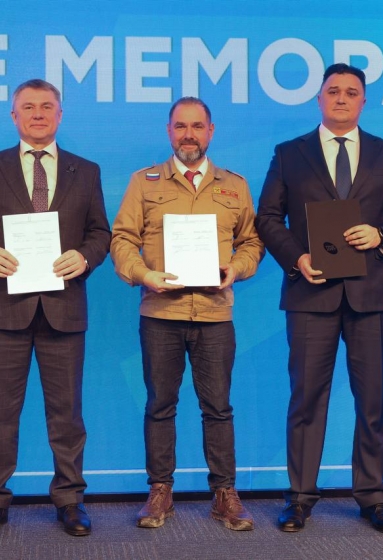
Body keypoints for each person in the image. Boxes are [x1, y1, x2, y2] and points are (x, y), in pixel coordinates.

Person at [256, 63, 383, 534]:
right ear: (319, 99)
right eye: (333, 91)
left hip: (373, 295)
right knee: (306, 400)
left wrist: (381, 234)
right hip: (310, 293)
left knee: (372, 401)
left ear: (363, 102)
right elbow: (267, 218)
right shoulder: (289, 154)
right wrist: (296, 258)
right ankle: (299, 498)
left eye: (351, 92)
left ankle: (372, 498)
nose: (341, 98)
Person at [0, 79, 110, 538]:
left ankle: (70, 499)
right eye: (28, 107)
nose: (38, 114)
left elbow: (100, 233)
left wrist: (84, 257)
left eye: (47, 106)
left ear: (60, 115)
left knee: (67, 414)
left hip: (64, 307)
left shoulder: (86, 170)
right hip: (4, 309)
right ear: (14, 116)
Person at [111, 97, 264, 531]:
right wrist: (143, 274)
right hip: (161, 313)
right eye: (181, 126)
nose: (189, 135)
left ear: (211, 131)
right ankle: (160, 490)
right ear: (169, 131)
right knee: (160, 404)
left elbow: (252, 242)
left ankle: (224, 494)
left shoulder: (234, 185)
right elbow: (121, 239)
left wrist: (236, 269)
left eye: (197, 126)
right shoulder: (143, 182)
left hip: (215, 315)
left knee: (218, 408)